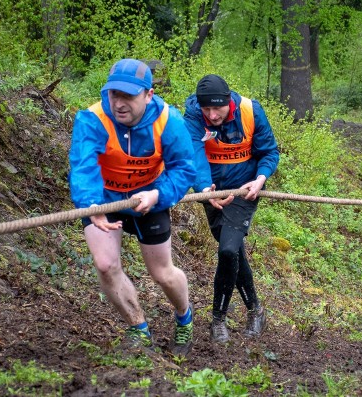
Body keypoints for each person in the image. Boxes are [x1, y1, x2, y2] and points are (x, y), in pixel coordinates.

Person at [68, 59, 198, 356]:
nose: (119, 103)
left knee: (162, 273)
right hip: (105, 198)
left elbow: (184, 169)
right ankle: (138, 328)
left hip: (149, 198)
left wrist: (158, 195)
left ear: (148, 94)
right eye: (114, 94)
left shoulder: (169, 121)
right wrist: (91, 206)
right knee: (105, 264)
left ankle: (184, 317)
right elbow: (83, 166)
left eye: (128, 96)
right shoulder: (92, 119)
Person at [184, 74, 279, 344]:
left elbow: (269, 152)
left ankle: (218, 319)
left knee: (227, 249)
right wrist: (204, 189)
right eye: (207, 109)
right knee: (233, 251)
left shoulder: (251, 111)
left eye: (218, 108)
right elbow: (193, 154)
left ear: (229, 102)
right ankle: (256, 311)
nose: (212, 115)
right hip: (211, 190)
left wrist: (261, 178)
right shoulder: (192, 116)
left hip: (244, 190)